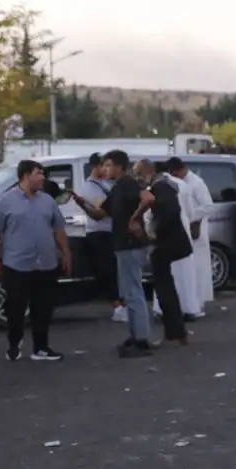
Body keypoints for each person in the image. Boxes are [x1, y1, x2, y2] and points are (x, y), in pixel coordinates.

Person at [0, 160, 71, 362]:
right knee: (15, 308)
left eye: (42, 174)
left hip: (45, 264)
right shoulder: (5, 201)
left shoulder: (47, 201)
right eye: (38, 173)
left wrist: (66, 253)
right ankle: (14, 343)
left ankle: (41, 347)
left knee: (43, 307)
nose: (42, 178)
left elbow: (58, 228)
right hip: (17, 265)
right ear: (25, 176)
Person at [98, 150, 155, 357]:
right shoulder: (116, 189)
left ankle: (142, 340)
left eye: (108, 165)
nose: (104, 169)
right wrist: (79, 201)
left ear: (120, 167)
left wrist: (134, 219)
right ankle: (135, 335)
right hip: (122, 245)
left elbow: (148, 198)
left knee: (133, 292)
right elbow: (99, 214)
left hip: (132, 245)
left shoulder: (129, 184)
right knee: (128, 293)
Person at [135, 159, 193, 346]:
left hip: (164, 244)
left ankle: (175, 332)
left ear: (147, 172)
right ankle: (176, 332)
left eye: (138, 173)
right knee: (165, 287)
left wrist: (154, 232)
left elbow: (169, 212)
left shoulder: (161, 187)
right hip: (167, 243)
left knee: (164, 288)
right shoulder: (162, 185)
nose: (137, 178)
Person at [71, 153, 125, 322]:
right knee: (107, 270)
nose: (107, 169)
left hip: (112, 232)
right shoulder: (88, 187)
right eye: (104, 165)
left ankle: (122, 304)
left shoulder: (108, 183)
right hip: (99, 233)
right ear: (96, 167)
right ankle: (117, 306)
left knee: (116, 271)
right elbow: (99, 212)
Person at [167, 158, 215, 314]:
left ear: (181, 170)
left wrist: (191, 218)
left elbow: (208, 206)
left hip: (196, 230)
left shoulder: (197, 183)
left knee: (198, 269)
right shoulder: (179, 183)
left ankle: (198, 304)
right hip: (183, 231)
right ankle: (188, 304)